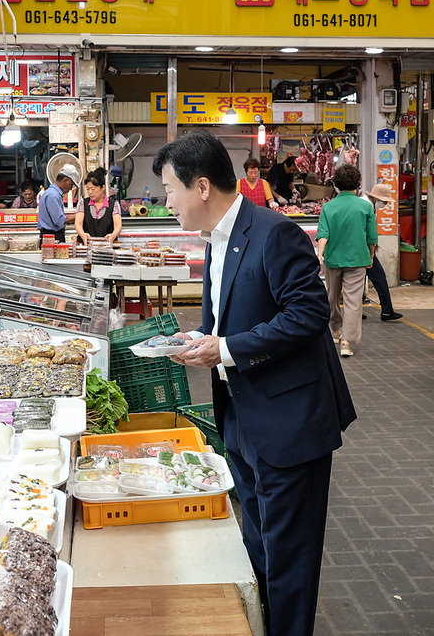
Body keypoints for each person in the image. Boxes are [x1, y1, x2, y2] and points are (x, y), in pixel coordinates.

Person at [153, 131, 356, 636]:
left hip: (288, 424)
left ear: (202, 187)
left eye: (170, 189)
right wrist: (201, 339)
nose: (167, 201)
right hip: (241, 419)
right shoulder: (216, 240)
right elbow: (230, 321)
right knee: (259, 546)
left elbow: (309, 313)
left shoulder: (274, 232)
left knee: (290, 559)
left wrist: (226, 349)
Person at [316, 165, 378, 357]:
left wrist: (320, 254)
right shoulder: (365, 207)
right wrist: (371, 255)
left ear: (336, 184)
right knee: (353, 301)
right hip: (358, 259)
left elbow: (323, 233)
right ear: (357, 184)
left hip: (333, 259)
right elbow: (372, 237)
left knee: (332, 296)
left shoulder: (328, 207)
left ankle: (335, 328)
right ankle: (346, 342)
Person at [363, 183, 403, 321]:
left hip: (360, 248)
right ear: (376, 198)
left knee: (357, 281)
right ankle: (387, 311)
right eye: (384, 201)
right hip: (365, 250)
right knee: (379, 278)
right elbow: (370, 232)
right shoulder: (367, 206)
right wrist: (371, 252)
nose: (385, 204)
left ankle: (356, 311)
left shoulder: (367, 204)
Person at [74, 167, 122, 245]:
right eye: (88, 189)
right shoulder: (82, 203)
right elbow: (78, 224)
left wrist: (113, 236)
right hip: (86, 246)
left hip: (107, 247)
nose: (90, 192)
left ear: (103, 187)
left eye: (93, 189)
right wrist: (83, 235)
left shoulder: (114, 205)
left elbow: (118, 225)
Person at [37, 163, 80, 243]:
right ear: (65, 180)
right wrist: (78, 215)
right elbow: (59, 220)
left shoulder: (53, 194)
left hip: (52, 234)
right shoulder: (53, 195)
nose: (71, 188)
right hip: (51, 236)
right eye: (71, 185)